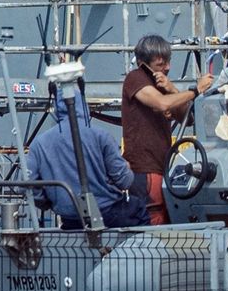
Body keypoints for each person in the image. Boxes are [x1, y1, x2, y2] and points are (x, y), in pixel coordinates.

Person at [122, 35, 215, 225]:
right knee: (153, 221)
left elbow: (187, 119)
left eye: (168, 62)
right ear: (143, 63)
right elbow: (162, 103)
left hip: (163, 168)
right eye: (160, 64)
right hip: (145, 170)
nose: (167, 67)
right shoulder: (136, 78)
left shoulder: (160, 84)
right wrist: (195, 90)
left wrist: (172, 89)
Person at [26, 86, 146, 229]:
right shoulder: (101, 136)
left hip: (70, 220)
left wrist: (47, 202)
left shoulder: (39, 144)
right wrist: (126, 168)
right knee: (140, 212)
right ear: (82, 104)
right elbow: (124, 182)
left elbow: (28, 184)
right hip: (109, 213)